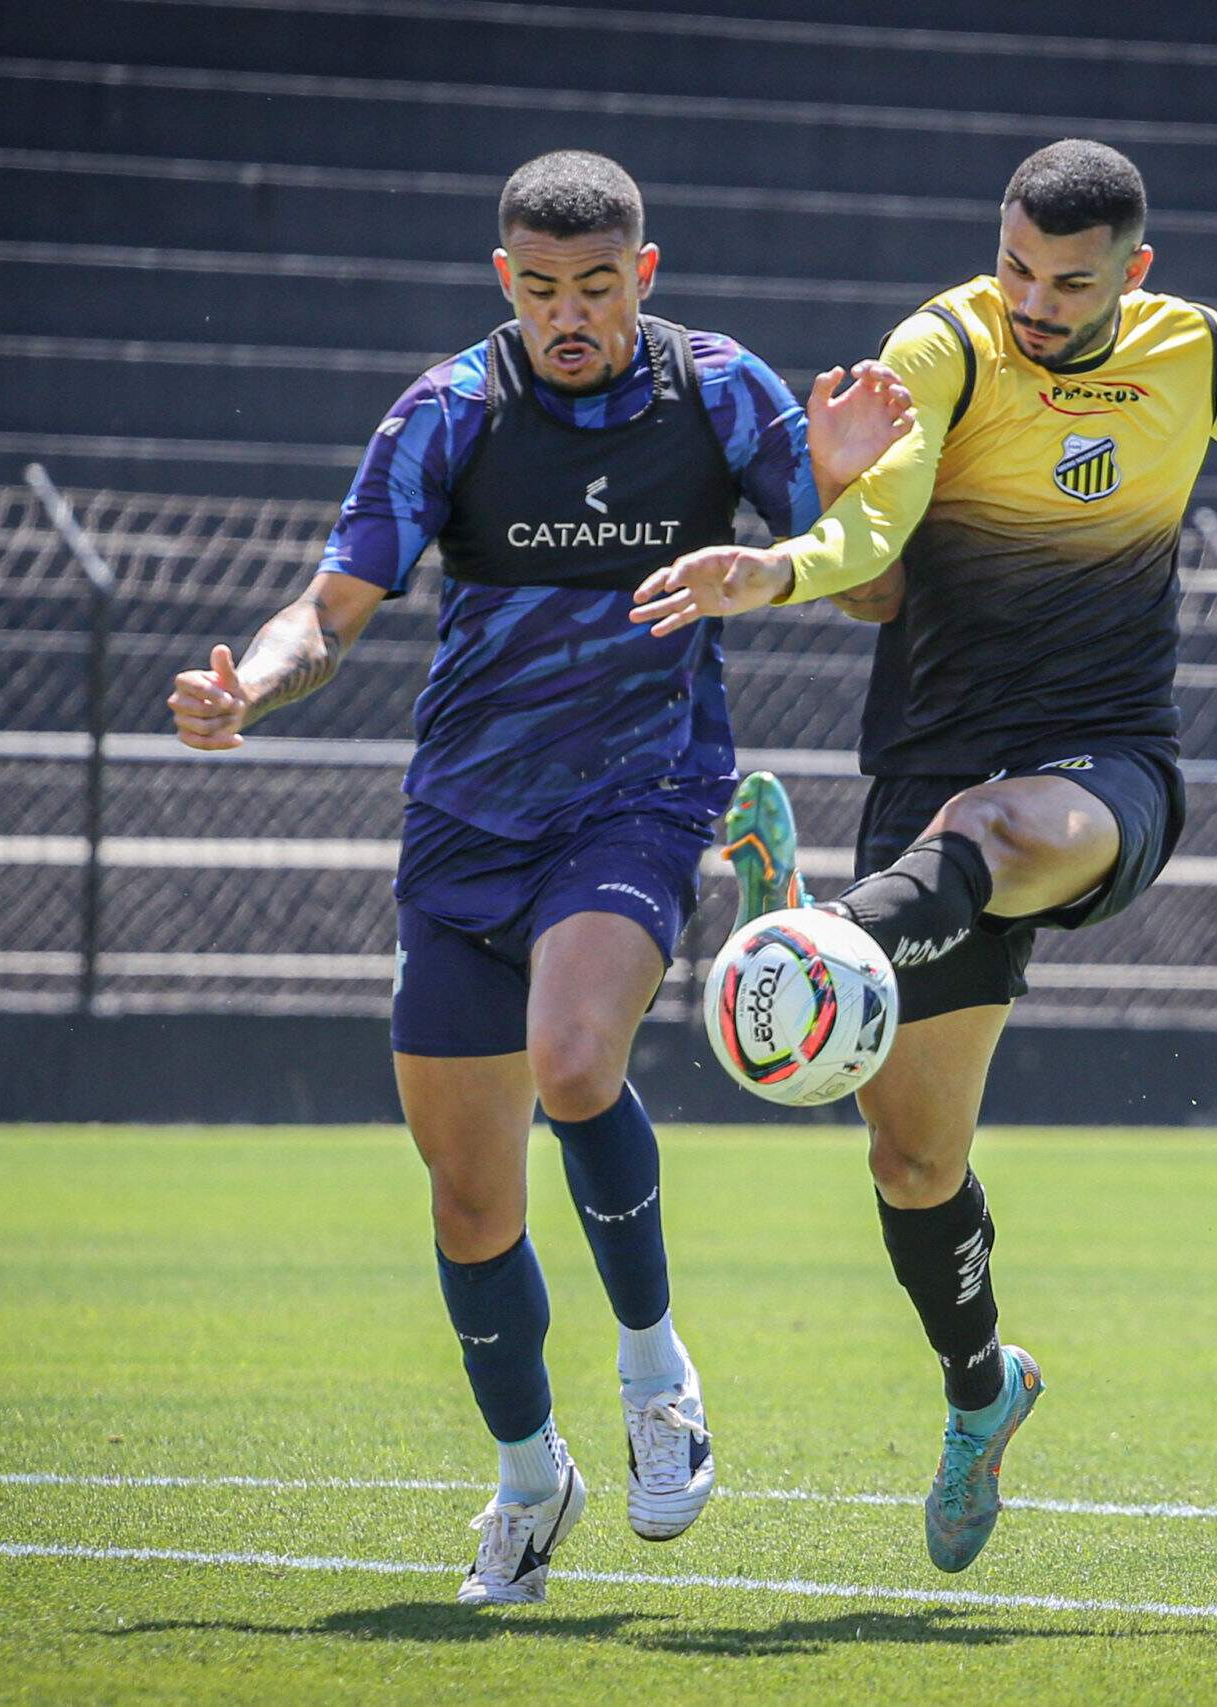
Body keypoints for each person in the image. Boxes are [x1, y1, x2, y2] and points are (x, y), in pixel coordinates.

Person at [631, 138, 1217, 1574]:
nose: (1033, 299)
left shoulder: (1191, 356)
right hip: (929, 752)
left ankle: (813, 934)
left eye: (1067, 281)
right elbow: (880, 517)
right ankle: (983, 1390)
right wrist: (787, 562)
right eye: (1015, 265)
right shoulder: (942, 345)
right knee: (910, 1156)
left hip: (1103, 760)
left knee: (997, 835)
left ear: (1136, 270)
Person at [165, 149, 911, 1607]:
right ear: (505, 281)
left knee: (574, 1062)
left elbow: (872, 588)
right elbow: (331, 609)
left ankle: (656, 1376)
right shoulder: (450, 408)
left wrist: (842, 484)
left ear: (647, 274)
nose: (571, 314)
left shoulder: (721, 392)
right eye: (542, 289)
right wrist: (247, 686)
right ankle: (527, 1481)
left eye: (599, 287)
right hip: (463, 824)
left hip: (641, 794)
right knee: (468, 1206)